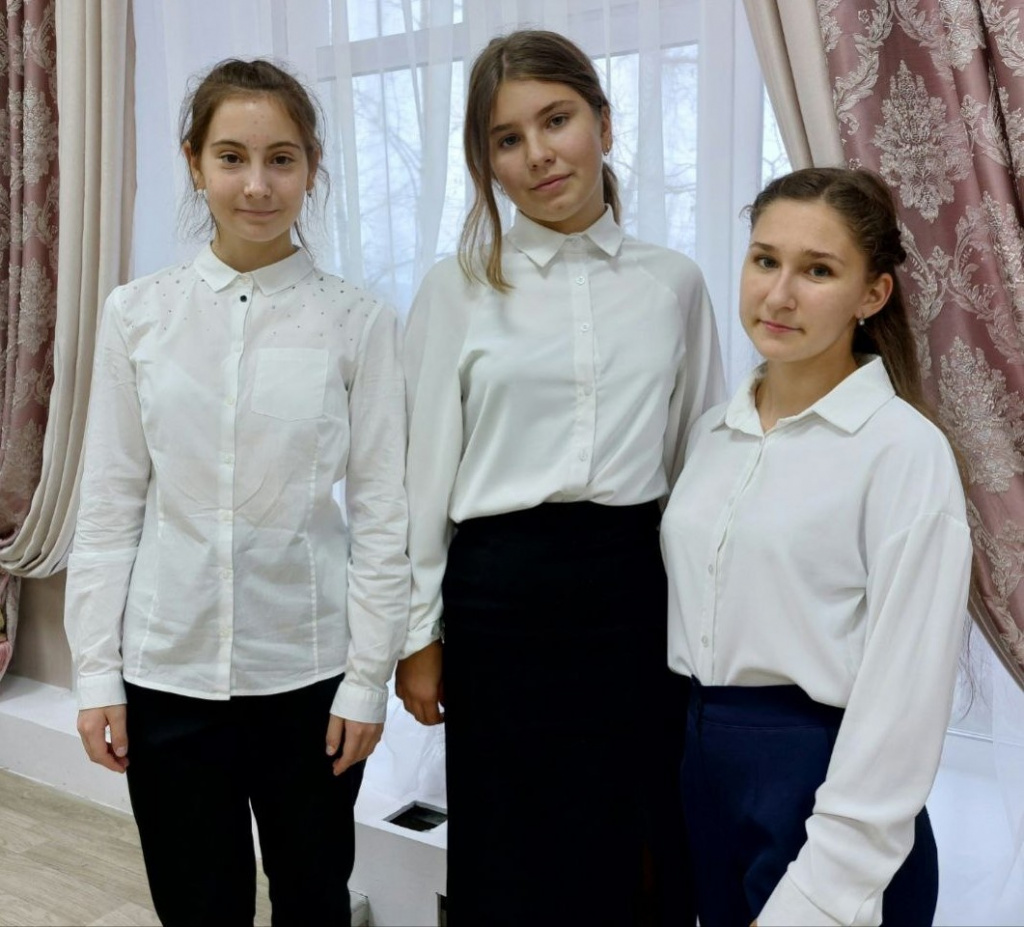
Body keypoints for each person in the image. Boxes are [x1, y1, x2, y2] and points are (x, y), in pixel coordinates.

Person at [64, 58, 409, 927]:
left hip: (309, 675)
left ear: (312, 167)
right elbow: (108, 504)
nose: (257, 185)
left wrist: (367, 681)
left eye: (281, 159)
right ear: (194, 163)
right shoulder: (137, 314)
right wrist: (96, 672)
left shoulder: (358, 320)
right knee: (196, 906)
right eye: (231, 157)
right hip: (166, 673)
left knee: (313, 901)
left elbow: (382, 516)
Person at [394, 29, 726, 926]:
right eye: (508, 138)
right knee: (512, 845)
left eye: (557, 120)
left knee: (640, 834)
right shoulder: (457, 289)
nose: (538, 153)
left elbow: (698, 463)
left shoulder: (674, 284)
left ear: (603, 127)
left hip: (634, 590)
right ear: (488, 165)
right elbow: (422, 479)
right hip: (498, 600)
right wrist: (417, 635)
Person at [661, 167, 973, 926]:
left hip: (825, 794)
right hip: (703, 776)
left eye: (818, 271)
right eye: (765, 260)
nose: (778, 294)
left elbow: (903, 701)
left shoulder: (903, 452)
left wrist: (825, 889)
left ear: (873, 294)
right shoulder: (710, 435)